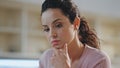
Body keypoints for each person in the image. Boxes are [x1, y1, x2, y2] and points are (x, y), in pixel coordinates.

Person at [39, 0, 111, 68]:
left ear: (76, 23)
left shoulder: (99, 60)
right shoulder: (45, 58)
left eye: (58, 25)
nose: (51, 34)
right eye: (46, 29)